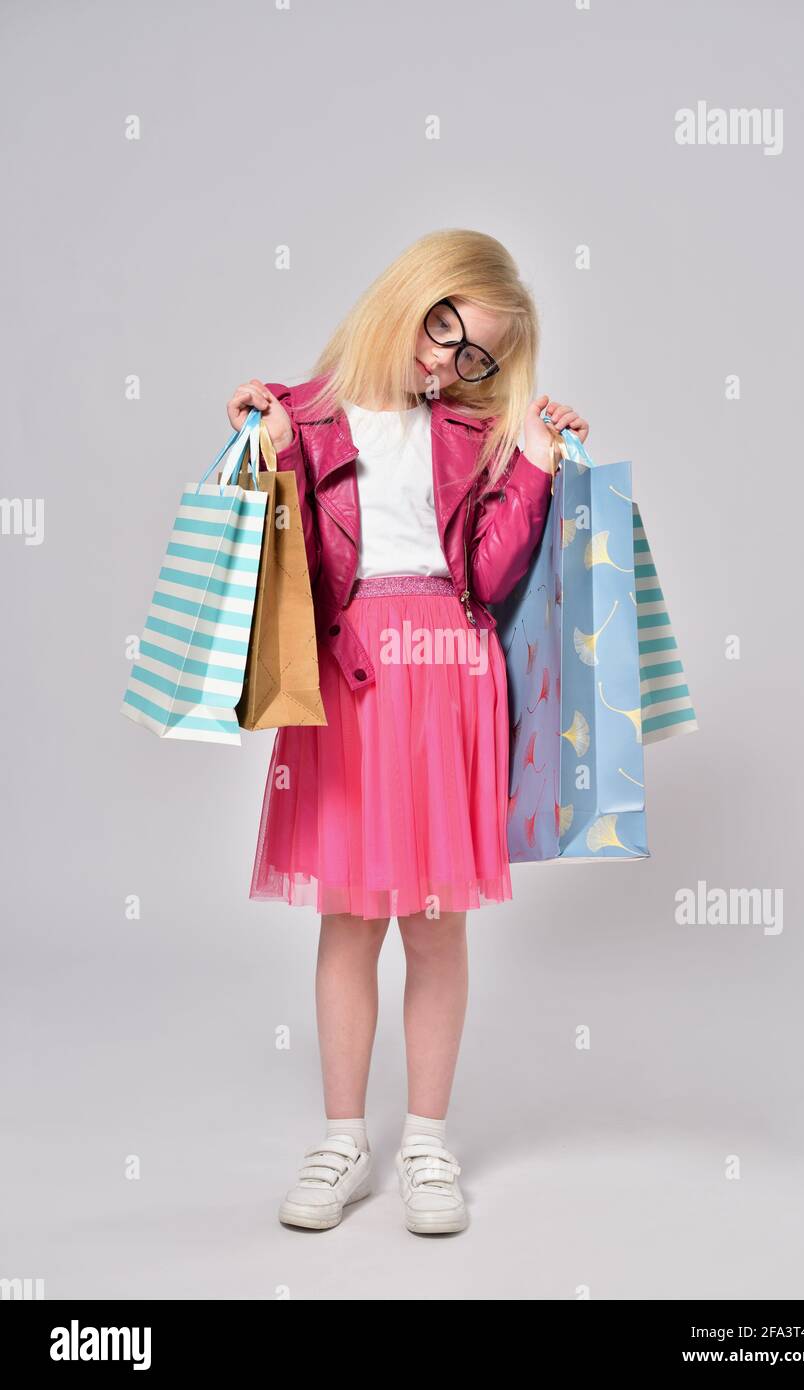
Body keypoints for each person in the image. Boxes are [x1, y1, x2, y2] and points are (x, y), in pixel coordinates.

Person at [227, 228, 589, 1235]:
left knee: (436, 925)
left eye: (476, 356)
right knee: (350, 918)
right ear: (411, 293)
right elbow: (272, 532)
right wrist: (256, 436)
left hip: (450, 678)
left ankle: (427, 1140)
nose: (448, 361)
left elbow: (496, 571)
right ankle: (342, 1137)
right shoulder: (301, 416)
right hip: (351, 679)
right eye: (444, 328)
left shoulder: (473, 438)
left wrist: (538, 463)